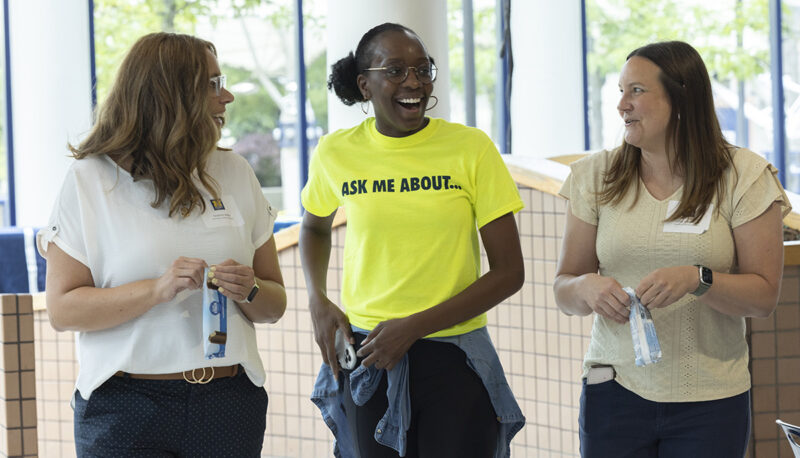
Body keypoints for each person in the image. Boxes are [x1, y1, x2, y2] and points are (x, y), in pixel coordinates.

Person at [37, 32, 286, 457]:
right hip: (126, 409)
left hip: (229, 403)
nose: (226, 96)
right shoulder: (90, 181)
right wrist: (157, 290)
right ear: (170, 94)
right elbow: (63, 310)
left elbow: (274, 304)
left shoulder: (234, 171)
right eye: (212, 83)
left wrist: (250, 290)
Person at [554, 40, 790, 458]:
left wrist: (698, 280)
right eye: (621, 91)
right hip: (614, 392)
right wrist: (585, 288)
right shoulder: (595, 176)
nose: (622, 105)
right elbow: (564, 287)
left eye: (637, 91)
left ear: (682, 99)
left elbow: (763, 297)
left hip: (712, 402)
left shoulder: (744, 176)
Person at [300, 22, 526, 458]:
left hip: (454, 357)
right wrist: (317, 298)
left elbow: (509, 273)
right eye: (396, 70)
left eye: (423, 70)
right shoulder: (335, 152)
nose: (413, 82)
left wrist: (414, 327)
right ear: (365, 85)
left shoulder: (471, 148)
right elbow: (313, 225)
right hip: (369, 352)